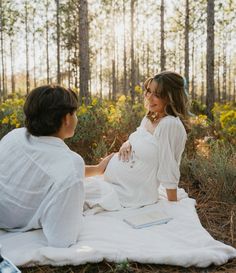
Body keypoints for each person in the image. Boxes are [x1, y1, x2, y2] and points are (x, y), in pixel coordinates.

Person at [0, 85, 112, 248]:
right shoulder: (69, 164)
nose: (76, 119)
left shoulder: (15, 136)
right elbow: (62, 238)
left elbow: (44, 169)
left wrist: (97, 169)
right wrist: (78, 212)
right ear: (66, 118)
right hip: (12, 222)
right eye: (74, 113)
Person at [85, 71, 189, 210]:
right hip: (113, 181)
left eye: (157, 95)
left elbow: (169, 165)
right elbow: (139, 136)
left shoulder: (169, 124)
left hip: (130, 193)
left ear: (171, 98)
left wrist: (173, 205)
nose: (149, 97)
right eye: (148, 91)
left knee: (71, 191)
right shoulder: (150, 118)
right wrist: (127, 143)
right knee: (68, 185)